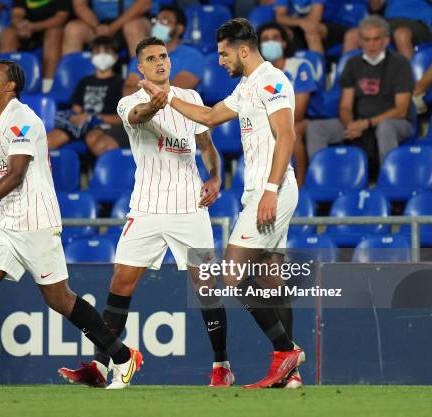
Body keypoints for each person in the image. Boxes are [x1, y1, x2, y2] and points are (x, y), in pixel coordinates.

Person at [0, 60, 142, 391]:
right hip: (7, 216)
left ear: (10, 87)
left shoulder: (23, 119)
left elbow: (17, 174)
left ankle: (121, 356)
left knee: (59, 299)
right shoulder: (2, 120)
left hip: (35, 217)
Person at [57, 37, 234, 388]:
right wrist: (155, 104)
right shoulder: (130, 103)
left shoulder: (193, 98)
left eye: (163, 56)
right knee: (120, 282)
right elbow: (139, 117)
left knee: (205, 287)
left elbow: (206, 145)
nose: (159, 62)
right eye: (151, 58)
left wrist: (214, 176)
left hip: (190, 209)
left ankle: (221, 366)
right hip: (147, 209)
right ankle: (100, 364)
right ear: (141, 68)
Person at [141, 18, 304, 389]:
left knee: (232, 272)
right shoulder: (248, 86)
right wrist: (167, 98)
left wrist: (270, 189)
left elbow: (288, 135)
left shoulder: (273, 80)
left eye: (223, 53)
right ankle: (289, 374)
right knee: (270, 280)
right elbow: (210, 116)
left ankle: (285, 349)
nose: (219, 61)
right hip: (263, 191)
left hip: (272, 190)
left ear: (242, 50)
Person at [306, 15, 414, 176]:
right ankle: (322, 177)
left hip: (396, 123)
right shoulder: (353, 63)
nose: (371, 44)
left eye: (376, 39)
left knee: (386, 127)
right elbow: (345, 106)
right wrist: (350, 124)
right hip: (359, 121)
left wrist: (367, 123)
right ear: (360, 41)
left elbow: (401, 110)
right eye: (367, 39)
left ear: (385, 40)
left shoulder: (400, 63)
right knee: (315, 128)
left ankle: (389, 178)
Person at [258, 21, 318, 186]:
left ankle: (300, 184)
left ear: (284, 43)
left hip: (305, 120)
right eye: (265, 39)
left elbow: (299, 111)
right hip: (271, 122)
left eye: (275, 38)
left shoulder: (300, 67)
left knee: (292, 133)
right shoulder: (258, 74)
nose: (270, 42)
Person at [47, 36, 126, 156]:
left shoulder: (121, 84)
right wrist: (77, 118)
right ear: (92, 57)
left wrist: (93, 117)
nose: (102, 56)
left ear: (116, 57)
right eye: (97, 52)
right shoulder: (85, 81)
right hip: (80, 125)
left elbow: (121, 117)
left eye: (107, 52)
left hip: (103, 125)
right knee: (47, 142)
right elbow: (76, 108)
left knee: (95, 140)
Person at [123, 5, 204, 96]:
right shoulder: (141, 55)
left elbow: (176, 91)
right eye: (156, 21)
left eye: (164, 21)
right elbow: (128, 91)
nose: (158, 25)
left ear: (179, 29)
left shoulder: (192, 56)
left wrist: (144, 88)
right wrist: (160, 88)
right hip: (145, 109)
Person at [0, 0, 71, 94]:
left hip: (51, 28)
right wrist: (20, 25)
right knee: (8, 33)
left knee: (53, 32)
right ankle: (5, 86)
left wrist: (34, 27)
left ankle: (47, 87)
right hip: (27, 30)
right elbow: (17, 13)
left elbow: (61, 18)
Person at [342, 0, 432, 60]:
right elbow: (375, 7)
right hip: (389, 22)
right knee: (352, 36)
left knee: (401, 34)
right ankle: (343, 84)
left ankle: (409, 85)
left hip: (418, 23)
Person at [62, 0, 151, 59]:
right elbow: (80, 5)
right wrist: (97, 26)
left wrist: (113, 27)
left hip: (133, 19)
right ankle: (71, 83)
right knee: (73, 29)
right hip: (98, 23)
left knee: (133, 27)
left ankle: (139, 79)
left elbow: (144, 4)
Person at [274, 0, 347, 54]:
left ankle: (318, 68)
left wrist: (296, 21)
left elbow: (315, 18)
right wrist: (299, 22)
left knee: (311, 29)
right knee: (284, 32)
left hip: (331, 24)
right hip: (301, 25)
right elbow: (280, 17)